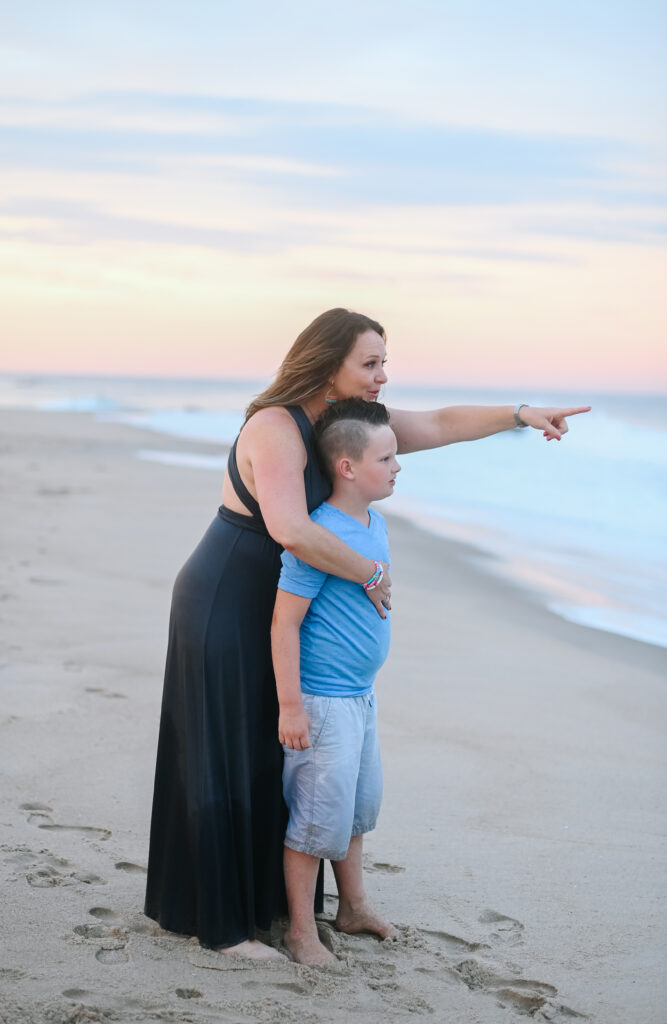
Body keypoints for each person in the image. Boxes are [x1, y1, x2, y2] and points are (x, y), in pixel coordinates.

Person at [144, 307, 590, 958]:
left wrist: (521, 415)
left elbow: (438, 424)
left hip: (286, 601)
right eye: (370, 362)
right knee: (229, 756)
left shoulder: (341, 425)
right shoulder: (275, 426)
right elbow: (290, 530)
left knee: (275, 760)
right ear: (329, 363)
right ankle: (222, 926)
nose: (382, 376)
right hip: (225, 598)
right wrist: (367, 572)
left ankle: (267, 906)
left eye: (384, 362)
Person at [272, 398, 400, 966]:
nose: (399, 466)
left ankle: (352, 906)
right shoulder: (318, 536)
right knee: (316, 817)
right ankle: (302, 930)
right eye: (387, 457)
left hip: (362, 697)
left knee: (355, 808)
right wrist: (291, 706)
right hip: (322, 703)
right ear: (347, 467)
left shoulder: (376, 523)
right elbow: (285, 623)